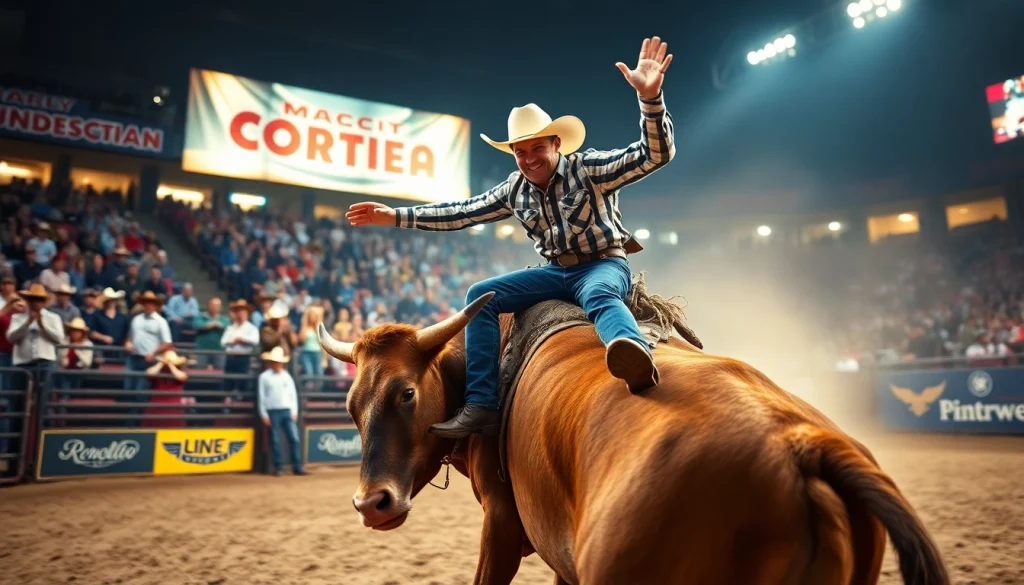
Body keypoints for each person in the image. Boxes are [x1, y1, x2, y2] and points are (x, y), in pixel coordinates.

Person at [344, 36, 676, 437]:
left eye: (537, 147)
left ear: (557, 143)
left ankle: (630, 351)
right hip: (554, 272)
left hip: (603, 264)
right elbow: (462, 212)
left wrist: (650, 99)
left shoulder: (589, 168)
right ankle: (482, 404)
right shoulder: (513, 188)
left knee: (600, 294)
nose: (529, 157)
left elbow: (653, 155)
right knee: (480, 297)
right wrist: (395, 216)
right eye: (520, 151)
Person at [258, 346, 308, 477]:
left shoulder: (286, 376)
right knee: (276, 440)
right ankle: (279, 467)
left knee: (293, 438)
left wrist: (294, 411)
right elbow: (261, 397)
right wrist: (264, 413)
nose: (278, 364)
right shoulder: (264, 377)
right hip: (273, 411)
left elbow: (292, 395)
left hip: (286, 410)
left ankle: (296, 466)